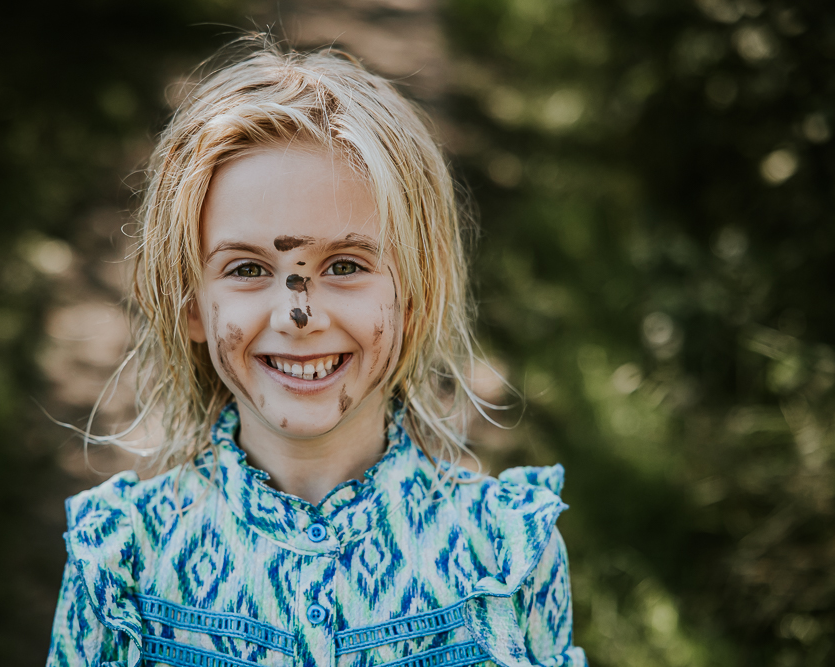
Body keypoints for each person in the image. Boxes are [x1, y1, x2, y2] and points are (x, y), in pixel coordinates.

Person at [46, 38, 588, 667]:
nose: (299, 315)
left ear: (415, 293)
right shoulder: (119, 562)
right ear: (190, 303)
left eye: (347, 264)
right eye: (248, 268)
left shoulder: (508, 555)